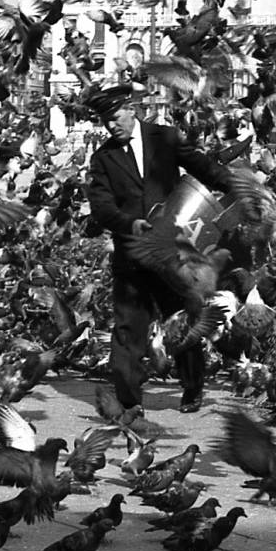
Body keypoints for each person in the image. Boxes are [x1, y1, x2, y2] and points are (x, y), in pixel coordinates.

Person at [84, 84, 234, 413]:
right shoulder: (103, 158)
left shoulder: (164, 138)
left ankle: (193, 386)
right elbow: (100, 205)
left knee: (182, 322)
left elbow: (203, 167)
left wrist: (238, 189)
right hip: (133, 258)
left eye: (115, 117)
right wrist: (128, 223)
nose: (111, 126)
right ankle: (127, 401)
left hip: (172, 254)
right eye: (105, 121)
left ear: (131, 108)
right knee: (128, 330)